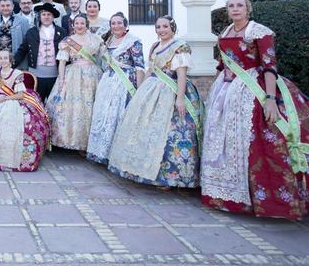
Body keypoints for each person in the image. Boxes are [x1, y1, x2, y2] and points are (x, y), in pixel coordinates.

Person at [201, 0, 309, 219]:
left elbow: (269, 65)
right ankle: (225, 195)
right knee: (226, 142)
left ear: (247, 9)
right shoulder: (225, 33)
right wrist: (214, 94)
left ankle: (266, 201)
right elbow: (222, 64)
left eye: (239, 5)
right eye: (231, 6)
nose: (235, 9)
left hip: (253, 90)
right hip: (227, 92)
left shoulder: (259, 32)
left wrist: (269, 98)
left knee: (260, 141)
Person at [108, 16, 201, 189]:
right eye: (158, 27)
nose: (161, 30)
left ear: (172, 27)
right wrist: (140, 92)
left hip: (172, 90)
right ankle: (141, 170)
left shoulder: (180, 47)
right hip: (152, 89)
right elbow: (150, 69)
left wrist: (180, 98)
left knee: (169, 132)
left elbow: (181, 74)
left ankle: (169, 176)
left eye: (165, 26)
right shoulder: (154, 46)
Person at [86, 12, 145, 165]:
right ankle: (102, 153)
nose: (116, 26)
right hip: (108, 81)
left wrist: (139, 91)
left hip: (125, 83)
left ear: (125, 25)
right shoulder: (109, 40)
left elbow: (139, 67)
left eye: (119, 23)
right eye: (113, 23)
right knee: (104, 115)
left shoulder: (133, 41)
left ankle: (118, 155)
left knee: (119, 115)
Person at [47, 15, 106, 152]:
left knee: (90, 107)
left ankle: (87, 144)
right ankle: (69, 140)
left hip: (92, 76)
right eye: (77, 23)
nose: (79, 25)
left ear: (86, 24)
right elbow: (62, 62)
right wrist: (61, 81)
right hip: (73, 75)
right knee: (73, 108)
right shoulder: (68, 41)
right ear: (73, 25)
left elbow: (104, 58)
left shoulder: (96, 39)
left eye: (82, 23)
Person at [14, 3, 66, 101]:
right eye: (44, 14)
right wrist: (11, 65)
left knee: (54, 103)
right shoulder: (31, 32)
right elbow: (22, 50)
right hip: (36, 75)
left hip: (55, 74)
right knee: (37, 102)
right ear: (39, 16)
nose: (46, 17)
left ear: (53, 17)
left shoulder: (61, 32)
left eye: (49, 14)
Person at [0, 0, 29, 71]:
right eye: (3, 6)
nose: (5, 8)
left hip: (16, 61)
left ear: (13, 6)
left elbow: (26, 44)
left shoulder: (23, 21)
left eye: (8, 5)